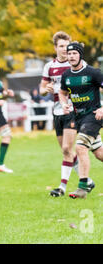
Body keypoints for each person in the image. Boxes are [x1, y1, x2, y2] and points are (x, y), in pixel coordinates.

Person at [39, 32, 94, 197]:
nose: (65, 49)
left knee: (66, 148)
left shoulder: (76, 63)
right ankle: (88, 181)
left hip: (73, 110)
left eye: (67, 46)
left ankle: (62, 187)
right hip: (57, 112)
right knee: (67, 152)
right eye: (61, 46)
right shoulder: (49, 67)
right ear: (55, 47)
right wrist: (45, 90)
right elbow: (41, 89)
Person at [59, 42, 103, 199]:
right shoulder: (66, 75)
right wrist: (64, 104)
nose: (71, 56)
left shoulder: (93, 73)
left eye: (74, 54)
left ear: (80, 55)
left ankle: (83, 187)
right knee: (99, 154)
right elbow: (62, 92)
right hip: (79, 118)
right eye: (69, 54)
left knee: (80, 147)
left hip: (94, 116)